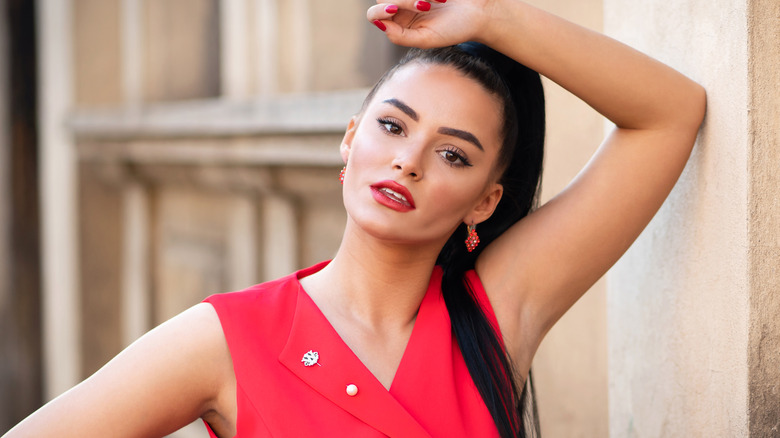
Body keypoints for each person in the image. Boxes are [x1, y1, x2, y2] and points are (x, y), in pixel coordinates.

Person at [4, 0, 705, 437]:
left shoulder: (497, 314)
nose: (409, 162)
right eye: (393, 127)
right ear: (350, 139)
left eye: (454, 156)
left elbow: (669, 114)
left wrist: (493, 17)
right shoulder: (226, 338)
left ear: (486, 201)